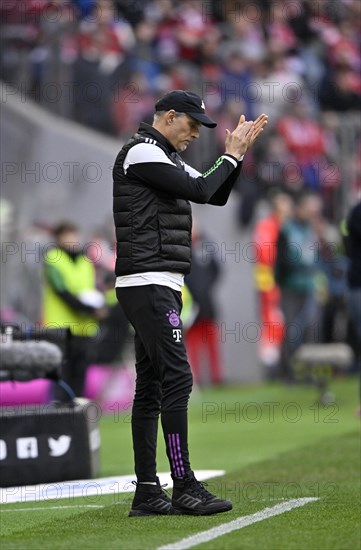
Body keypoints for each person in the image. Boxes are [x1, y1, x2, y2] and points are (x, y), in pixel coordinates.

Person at [113, 90, 268, 516]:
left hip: (154, 281)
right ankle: (183, 484)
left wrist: (234, 159)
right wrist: (231, 156)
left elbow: (214, 194)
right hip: (149, 280)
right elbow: (200, 189)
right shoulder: (142, 152)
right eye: (192, 125)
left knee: (152, 388)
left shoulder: (163, 156)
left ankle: (147, 491)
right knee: (178, 379)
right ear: (169, 116)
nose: (195, 134)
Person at [42, 222, 107, 401]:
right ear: (58, 239)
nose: (72, 240)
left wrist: (100, 306)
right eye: (67, 236)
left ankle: (75, 420)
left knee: (80, 376)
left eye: (74, 235)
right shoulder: (53, 259)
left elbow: (94, 287)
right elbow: (62, 292)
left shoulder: (86, 261)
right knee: (61, 376)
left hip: (84, 328)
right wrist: (91, 310)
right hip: (60, 328)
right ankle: (56, 418)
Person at [275, 191, 323, 381]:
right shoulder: (286, 229)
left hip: (309, 285)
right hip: (290, 286)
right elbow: (283, 260)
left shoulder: (311, 230)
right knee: (292, 328)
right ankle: (289, 371)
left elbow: (317, 256)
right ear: (300, 209)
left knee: (310, 327)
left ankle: (308, 370)